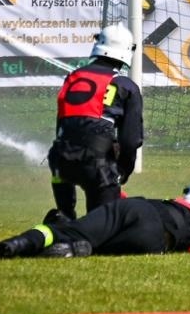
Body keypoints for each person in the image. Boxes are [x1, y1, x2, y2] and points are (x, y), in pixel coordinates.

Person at [0, 177, 190, 259]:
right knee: (96, 246)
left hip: (134, 208)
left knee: (70, 229)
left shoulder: (171, 202)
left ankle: (17, 244)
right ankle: (77, 249)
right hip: (153, 238)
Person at [46, 23, 144, 221]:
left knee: (65, 219)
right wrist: (122, 171)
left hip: (60, 161)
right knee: (102, 225)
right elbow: (131, 139)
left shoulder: (73, 77)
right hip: (97, 165)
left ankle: (63, 217)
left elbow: (63, 122)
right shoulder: (125, 85)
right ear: (128, 50)